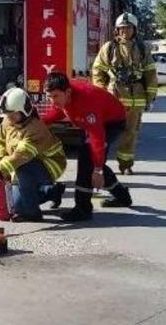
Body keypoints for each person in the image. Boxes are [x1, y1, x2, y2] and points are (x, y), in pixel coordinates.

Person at [42, 72, 132, 222]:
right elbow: (57, 111)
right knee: (92, 162)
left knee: (88, 161)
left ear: (68, 92)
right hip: (95, 121)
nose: (52, 101)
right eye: (49, 97)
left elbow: (98, 139)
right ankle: (123, 197)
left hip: (112, 123)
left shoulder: (86, 103)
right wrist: (39, 123)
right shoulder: (65, 95)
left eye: (55, 97)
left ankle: (83, 209)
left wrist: (97, 170)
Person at [0, 87, 66, 222]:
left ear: (25, 111)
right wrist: (0, 158)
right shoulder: (9, 120)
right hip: (22, 163)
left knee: (22, 170)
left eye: (12, 114)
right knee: (17, 204)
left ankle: (33, 213)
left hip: (50, 163)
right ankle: (52, 191)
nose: (9, 118)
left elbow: (21, 156)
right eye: (7, 115)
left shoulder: (35, 129)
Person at [91, 12, 157, 175]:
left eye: (128, 28)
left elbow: (150, 74)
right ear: (116, 30)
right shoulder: (109, 48)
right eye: (121, 28)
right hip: (114, 97)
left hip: (136, 98)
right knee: (104, 133)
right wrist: (101, 92)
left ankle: (125, 164)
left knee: (130, 134)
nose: (124, 31)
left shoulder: (143, 49)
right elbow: (98, 71)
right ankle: (98, 164)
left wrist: (150, 97)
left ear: (134, 30)